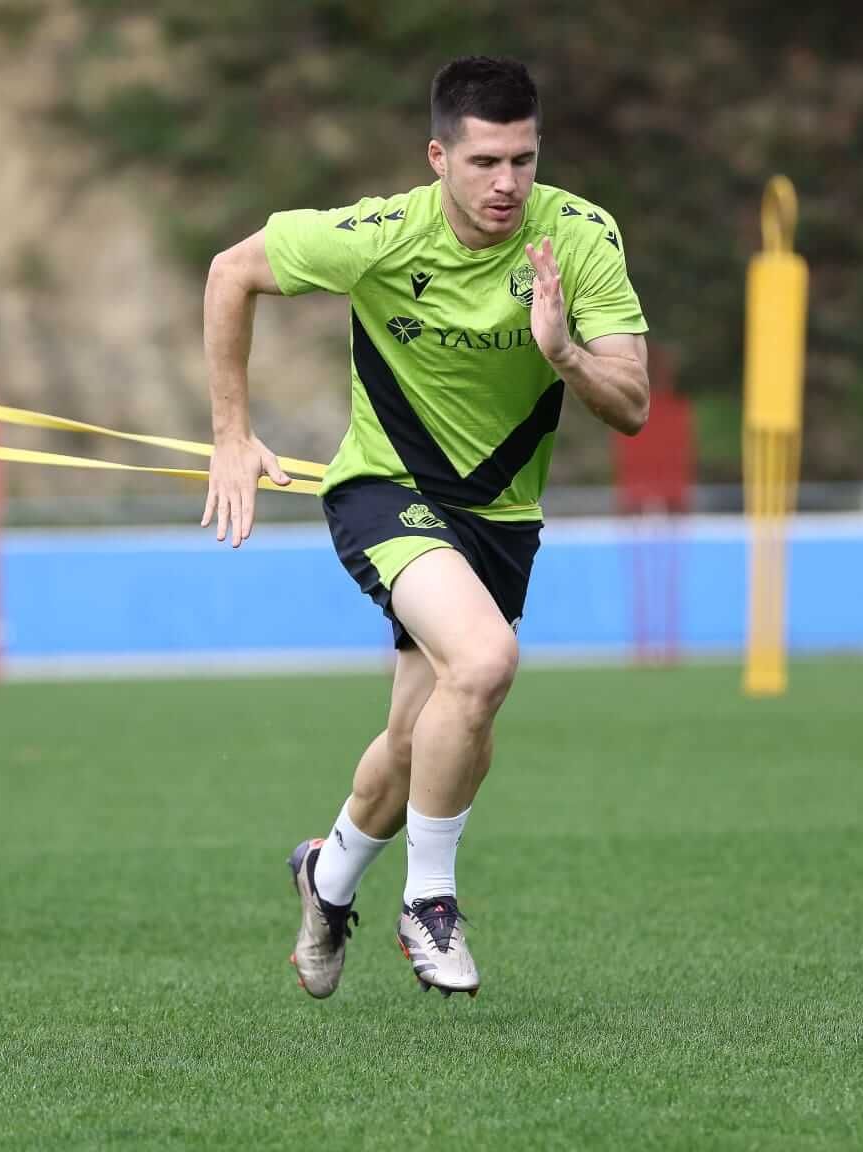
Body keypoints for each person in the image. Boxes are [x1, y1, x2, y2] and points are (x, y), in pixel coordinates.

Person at [200, 56, 650, 997]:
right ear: (438, 156)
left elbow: (633, 402)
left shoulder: (580, 238)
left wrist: (562, 351)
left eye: (523, 161)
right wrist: (233, 435)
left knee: (417, 741)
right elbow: (230, 271)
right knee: (483, 664)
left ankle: (325, 879)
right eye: (485, 162)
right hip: (385, 491)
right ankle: (429, 902)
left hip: (501, 518)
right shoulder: (380, 234)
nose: (506, 184)